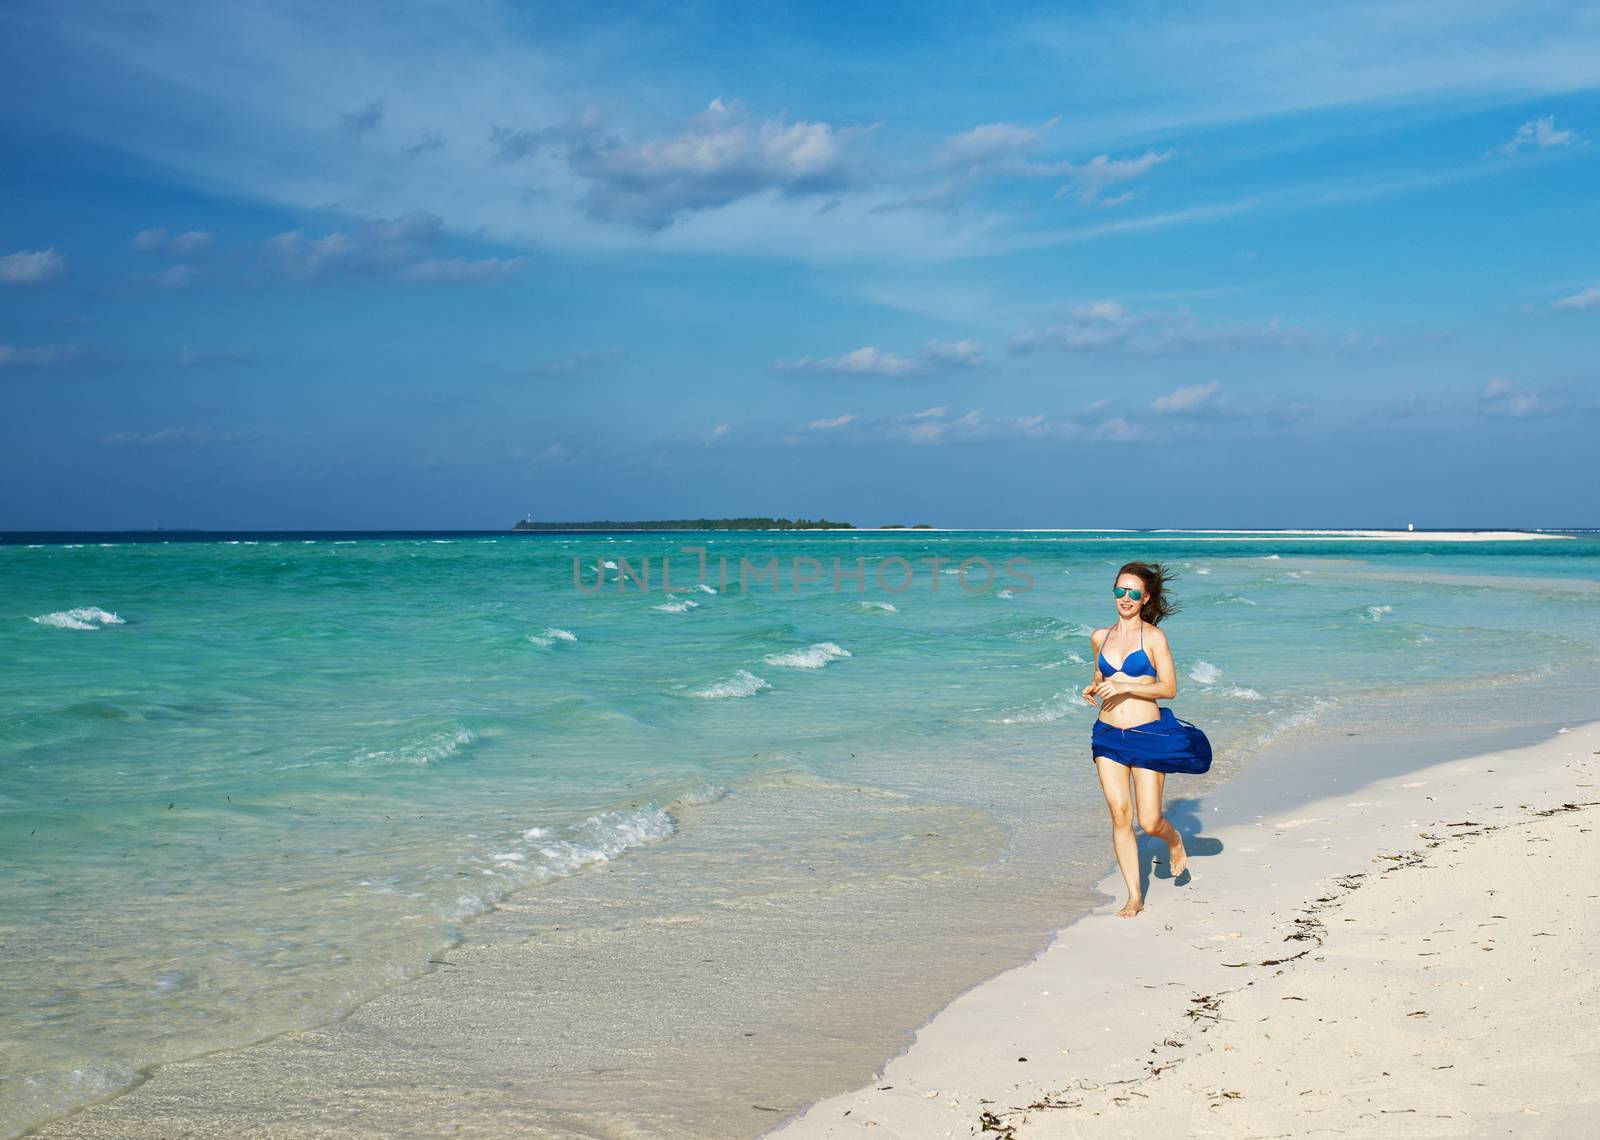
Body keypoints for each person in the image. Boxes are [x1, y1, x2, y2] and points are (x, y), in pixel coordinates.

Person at [1081, 561, 1210, 918]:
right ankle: (1134, 895)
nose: (1125, 598)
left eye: (1133, 593)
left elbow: (1169, 688)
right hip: (1107, 735)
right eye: (1120, 591)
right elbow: (1099, 670)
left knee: (1149, 821)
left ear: (1145, 598)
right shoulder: (1099, 637)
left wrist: (1124, 685)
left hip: (1147, 735)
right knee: (1120, 814)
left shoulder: (1153, 638)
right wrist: (1094, 684)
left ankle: (1173, 839)